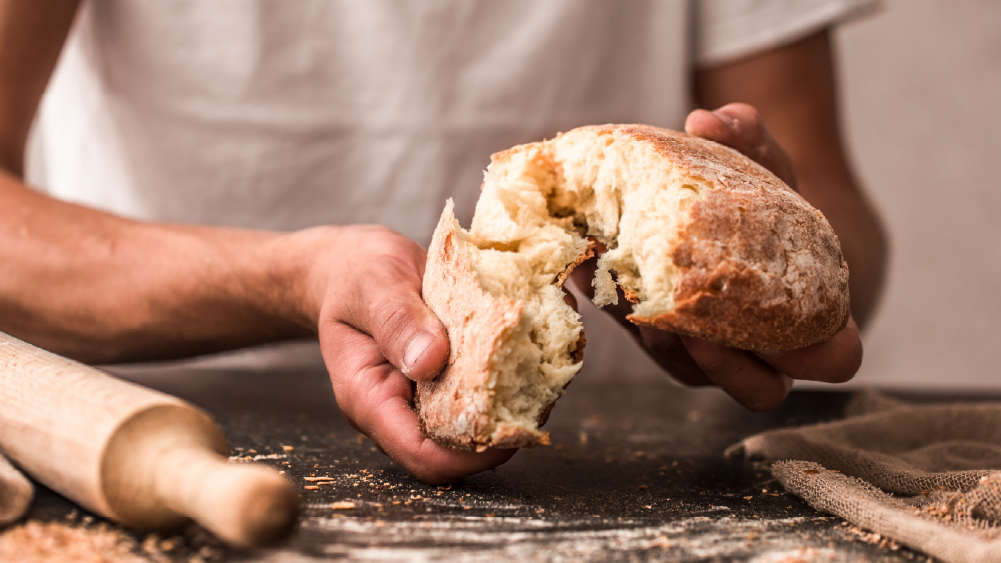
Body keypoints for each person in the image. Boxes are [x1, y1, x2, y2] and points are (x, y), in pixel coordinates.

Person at [0, 0, 886, 484]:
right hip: (151, 440)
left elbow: (839, 224)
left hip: (620, 464)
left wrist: (766, 256)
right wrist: (294, 279)